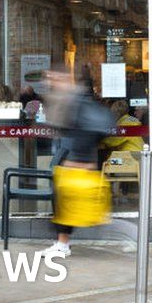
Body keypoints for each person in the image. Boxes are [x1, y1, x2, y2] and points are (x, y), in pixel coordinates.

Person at [42, 70, 115, 257]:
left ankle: (63, 244)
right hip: (76, 160)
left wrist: (78, 162)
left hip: (78, 162)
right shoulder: (75, 99)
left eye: (54, 78)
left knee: (71, 206)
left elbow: (83, 133)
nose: (51, 82)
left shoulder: (76, 100)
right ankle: (62, 243)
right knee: (66, 206)